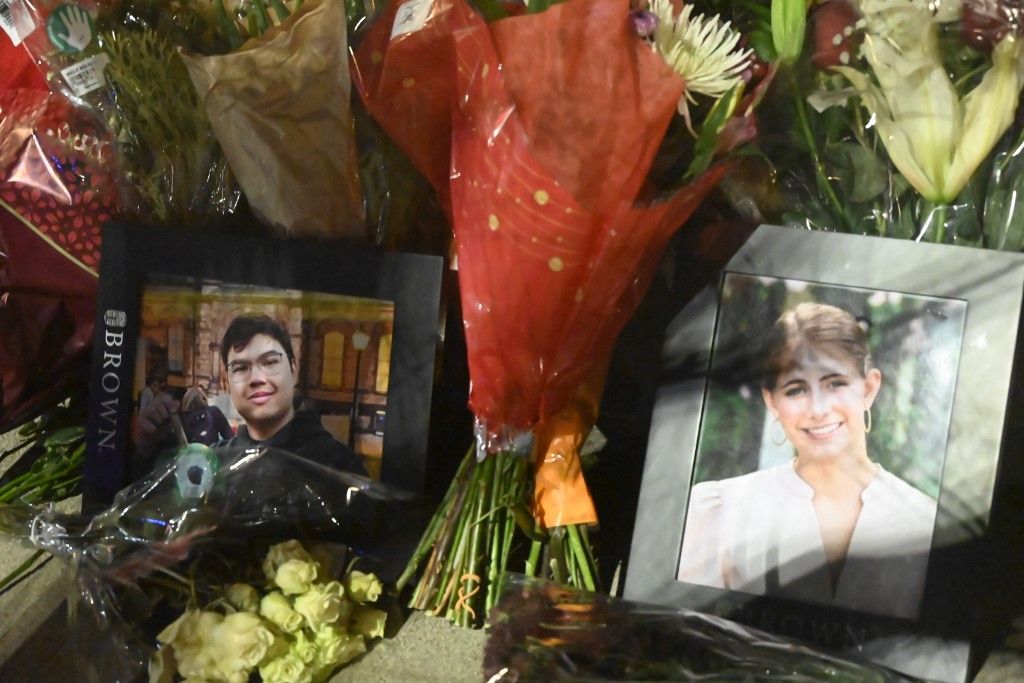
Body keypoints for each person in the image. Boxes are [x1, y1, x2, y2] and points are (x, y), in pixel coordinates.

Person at [677, 302, 937, 620]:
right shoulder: (719, 510)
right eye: (796, 389)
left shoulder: (923, 520)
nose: (818, 409)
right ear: (771, 401)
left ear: (869, 388)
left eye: (835, 384)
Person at [134, 315, 366, 476]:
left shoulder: (337, 466)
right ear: (227, 381)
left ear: (294, 370)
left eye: (270, 362)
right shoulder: (218, 463)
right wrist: (149, 449)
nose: (257, 378)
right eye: (241, 367)